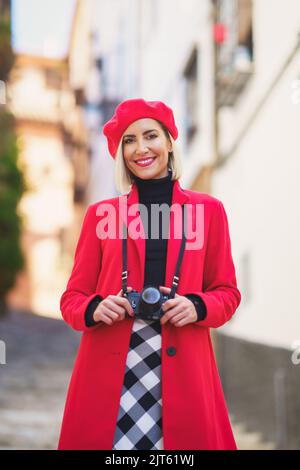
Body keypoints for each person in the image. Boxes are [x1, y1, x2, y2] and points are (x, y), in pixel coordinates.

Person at [57, 98, 242, 450]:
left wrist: (197, 306)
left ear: (170, 142)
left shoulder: (209, 211)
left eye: (150, 136)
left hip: (184, 370)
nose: (140, 148)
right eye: (129, 140)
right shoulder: (100, 215)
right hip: (111, 374)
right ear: (120, 153)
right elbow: (71, 300)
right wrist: (95, 307)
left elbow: (228, 293)